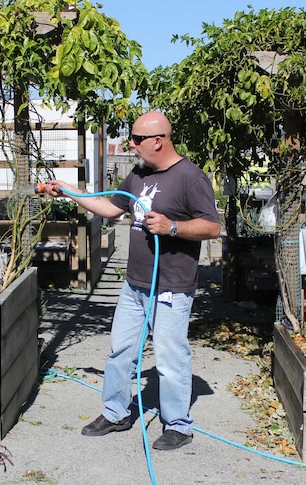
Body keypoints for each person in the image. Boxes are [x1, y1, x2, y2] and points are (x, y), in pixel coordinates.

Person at [40, 111, 221, 451]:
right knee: (120, 351)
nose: (131, 144)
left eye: (137, 139)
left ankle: (178, 425)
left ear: (158, 140)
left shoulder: (191, 178)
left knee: (169, 359)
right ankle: (116, 412)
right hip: (135, 284)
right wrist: (69, 191)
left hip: (170, 286)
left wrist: (173, 227)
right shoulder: (138, 174)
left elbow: (212, 227)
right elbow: (111, 209)